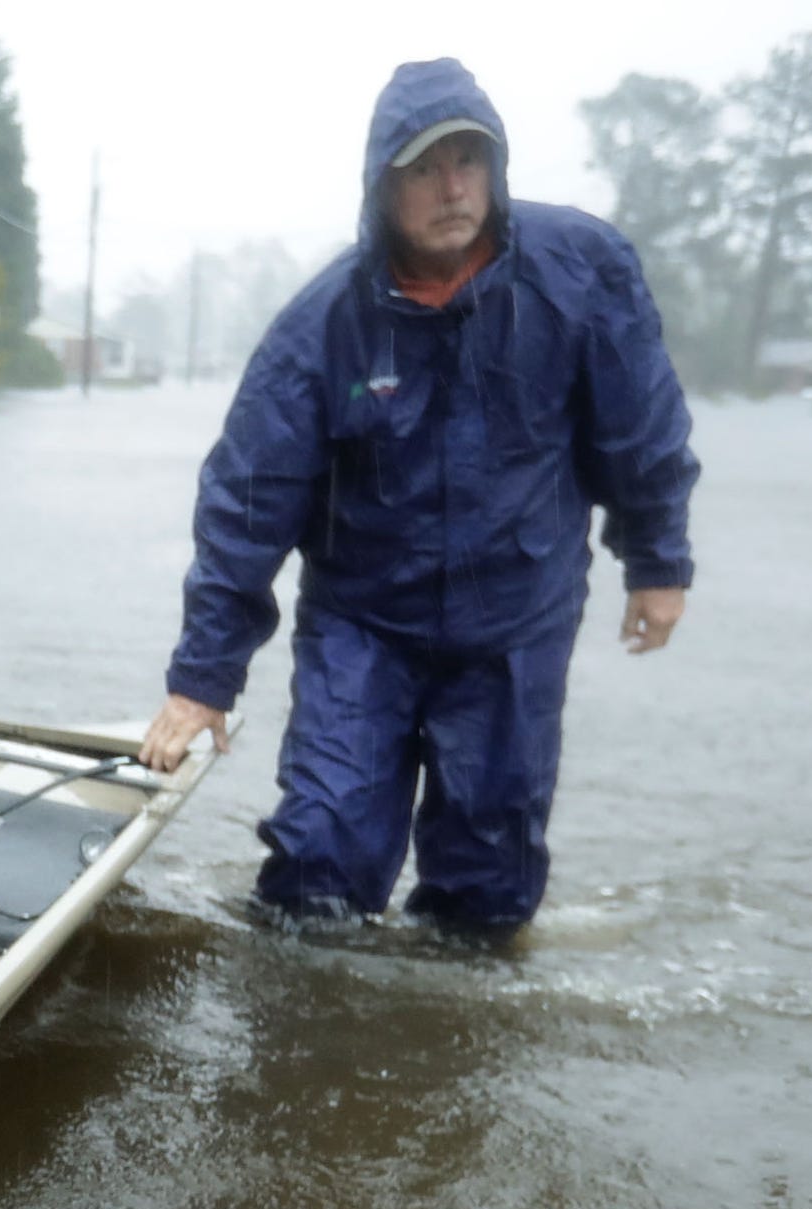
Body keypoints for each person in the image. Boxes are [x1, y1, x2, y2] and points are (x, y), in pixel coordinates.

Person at [137, 58, 700, 932]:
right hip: (364, 624)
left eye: (469, 161)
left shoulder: (580, 271)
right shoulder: (323, 326)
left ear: (495, 170)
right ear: (381, 186)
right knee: (316, 865)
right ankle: (308, 1037)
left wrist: (656, 562)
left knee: (487, 888)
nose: (452, 188)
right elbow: (248, 504)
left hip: (517, 619)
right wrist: (202, 680)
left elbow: (640, 426)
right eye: (425, 167)